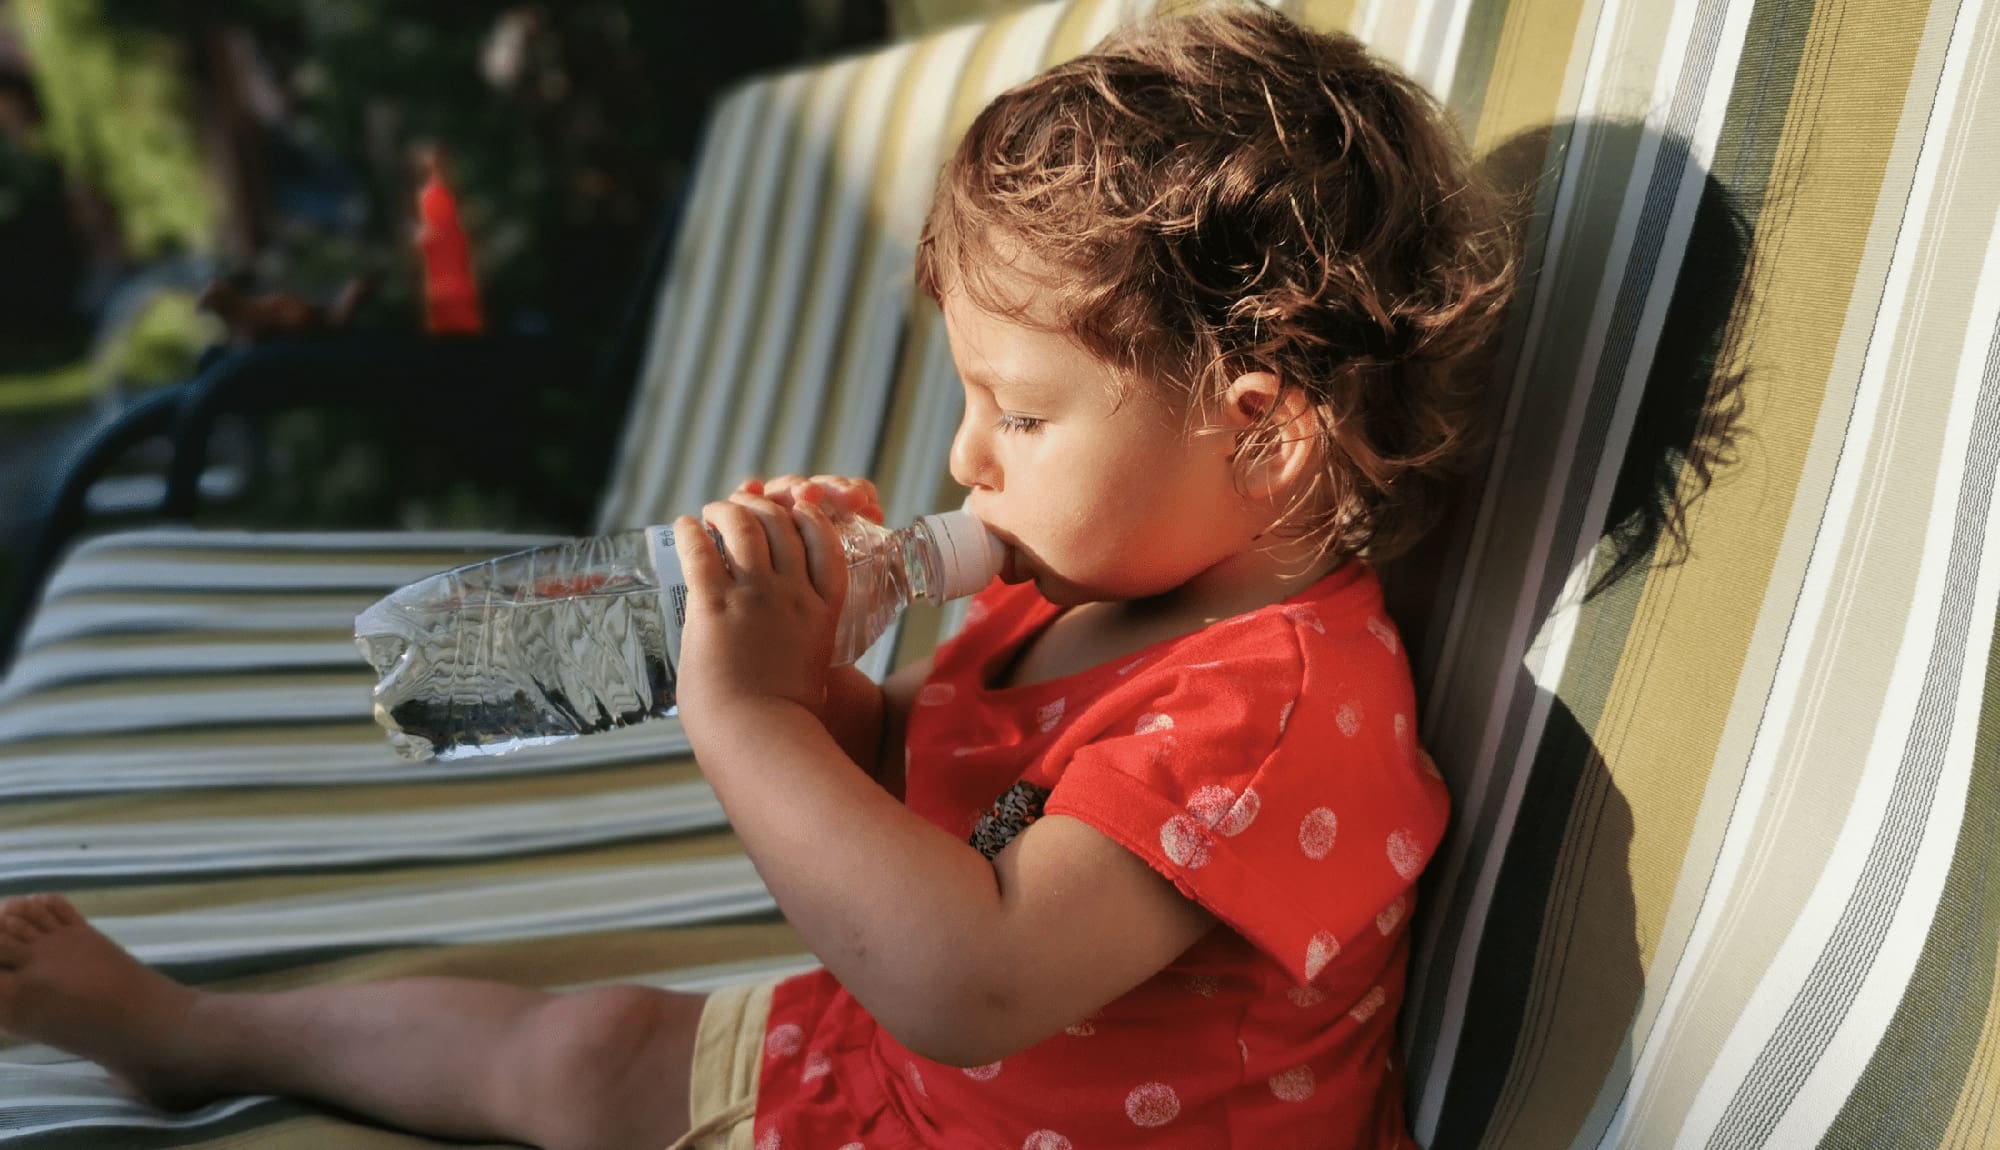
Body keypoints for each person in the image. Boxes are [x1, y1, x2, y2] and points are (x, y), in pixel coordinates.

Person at [0, 4, 1514, 1147]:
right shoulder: (1079, 588)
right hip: (896, 1086)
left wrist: (746, 723)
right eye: (970, 396)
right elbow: (918, 797)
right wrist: (801, 674)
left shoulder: (1267, 707)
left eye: (1025, 412)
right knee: (577, 1049)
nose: (966, 458)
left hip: (964, 1074)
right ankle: (200, 1034)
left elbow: (973, 972)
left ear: (1262, 434)